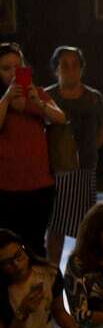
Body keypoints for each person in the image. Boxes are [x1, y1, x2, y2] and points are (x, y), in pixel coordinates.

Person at [0, 43, 66, 257]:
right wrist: (7, 98)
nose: (13, 73)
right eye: (6, 68)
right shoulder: (2, 100)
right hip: (6, 186)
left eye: (17, 67)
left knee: (36, 244)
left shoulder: (36, 93)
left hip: (39, 184)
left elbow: (60, 117)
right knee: (7, 245)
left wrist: (37, 102)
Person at [44, 46, 103, 265]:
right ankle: (53, 271)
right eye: (65, 66)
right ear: (56, 69)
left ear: (81, 68)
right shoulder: (47, 96)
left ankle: (82, 271)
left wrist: (87, 152)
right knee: (55, 227)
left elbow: (101, 129)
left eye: (75, 65)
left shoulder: (93, 98)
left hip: (84, 171)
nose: (70, 70)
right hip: (55, 172)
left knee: (86, 226)